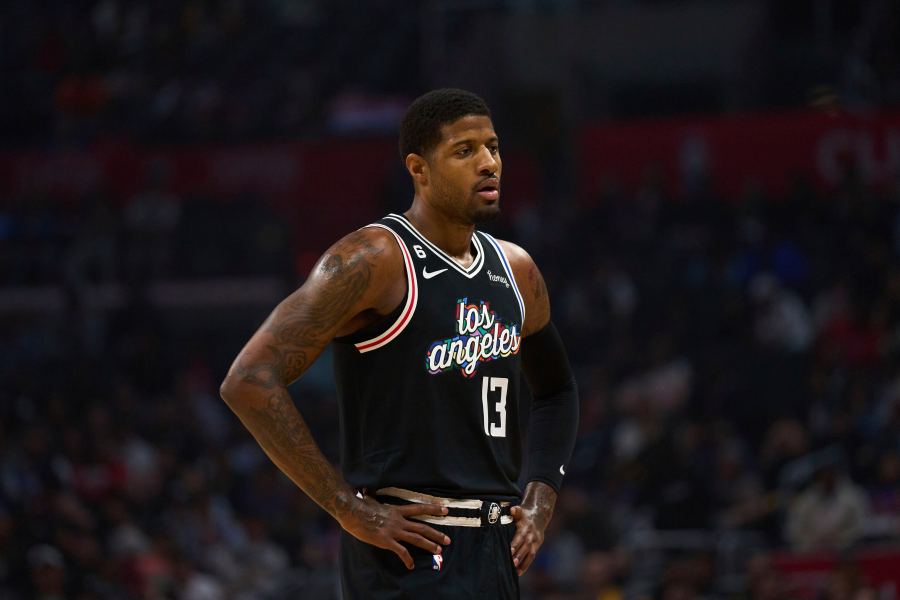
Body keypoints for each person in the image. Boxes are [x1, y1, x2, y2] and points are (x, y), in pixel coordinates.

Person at [220, 88, 579, 598]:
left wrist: (542, 496)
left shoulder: (517, 271)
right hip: (405, 550)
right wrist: (346, 507)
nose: (488, 163)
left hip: (495, 550)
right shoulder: (375, 257)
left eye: (493, 147)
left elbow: (558, 390)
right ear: (419, 168)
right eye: (464, 150)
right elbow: (249, 380)